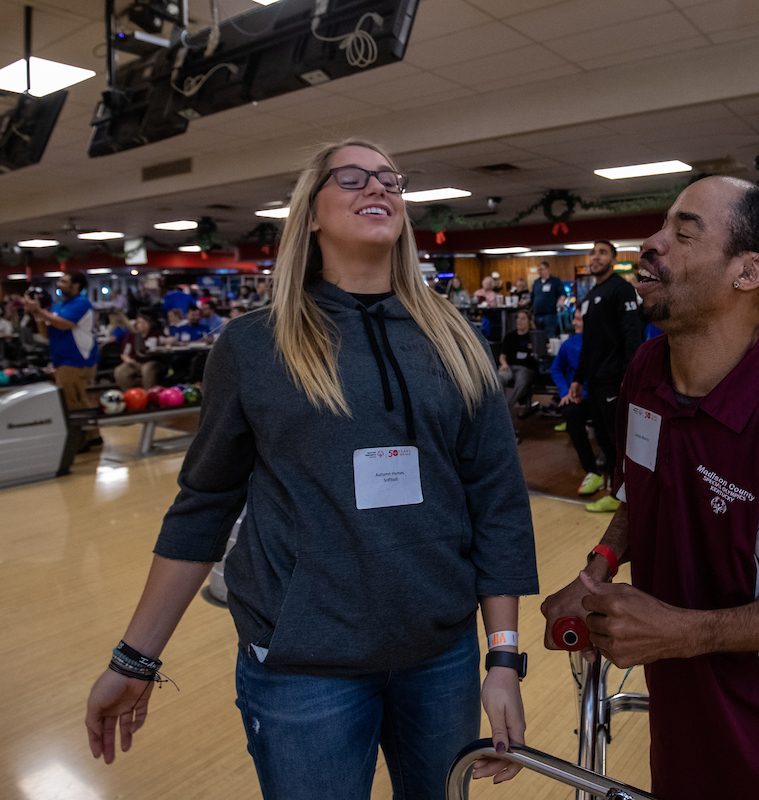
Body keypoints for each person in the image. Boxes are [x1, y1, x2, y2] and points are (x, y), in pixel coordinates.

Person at [85, 140, 537, 799]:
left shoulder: (454, 339)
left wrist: (501, 658)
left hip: (439, 659)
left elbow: (495, 499)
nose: (376, 186)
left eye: (389, 179)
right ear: (311, 215)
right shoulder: (255, 344)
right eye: (350, 178)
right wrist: (135, 658)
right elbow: (203, 507)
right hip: (302, 667)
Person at [541, 177, 759, 800]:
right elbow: (643, 491)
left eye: (683, 232)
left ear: (747, 273)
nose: (652, 243)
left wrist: (680, 633)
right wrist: (597, 571)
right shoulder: (646, 372)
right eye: (662, 226)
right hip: (679, 711)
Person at [568, 240, 642, 513]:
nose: (595, 257)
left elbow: (631, 336)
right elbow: (587, 344)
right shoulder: (589, 297)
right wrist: (577, 378)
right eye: (593, 252)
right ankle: (613, 486)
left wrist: (628, 376)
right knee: (603, 437)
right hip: (594, 380)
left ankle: (622, 494)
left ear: (613, 258)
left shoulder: (621, 290)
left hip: (614, 379)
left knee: (616, 438)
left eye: (602, 252)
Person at [22, 272, 101, 448]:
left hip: (77, 359)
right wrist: (37, 314)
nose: (59, 284)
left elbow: (64, 324)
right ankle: (93, 436)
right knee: (77, 400)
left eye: (64, 281)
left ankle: (81, 441)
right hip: (61, 359)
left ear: (76, 286)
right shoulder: (59, 306)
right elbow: (46, 332)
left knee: (72, 401)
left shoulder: (82, 303)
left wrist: (40, 310)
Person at [550, 308, 603, 496]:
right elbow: (555, 368)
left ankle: (613, 467)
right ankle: (592, 471)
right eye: (575, 319)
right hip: (578, 398)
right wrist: (565, 391)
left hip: (600, 397)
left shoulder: (602, 342)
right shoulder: (568, 345)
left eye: (578, 319)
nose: (574, 323)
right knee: (570, 414)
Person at [498, 308, 538, 417]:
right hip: (509, 366)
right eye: (518, 318)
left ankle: (504, 411)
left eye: (523, 318)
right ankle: (498, 408)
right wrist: (504, 364)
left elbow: (543, 351)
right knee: (498, 379)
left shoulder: (534, 336)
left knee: (521, 382)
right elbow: (502, 355)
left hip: (525, 368)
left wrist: (535, 348)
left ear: (529, 321)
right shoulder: (510, 336)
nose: (519, 321)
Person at [114, 311, 167, 391]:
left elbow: (166, 343)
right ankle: (128, 393)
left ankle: (148, 393)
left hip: (152, 361)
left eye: (144, 322)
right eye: (139, 322)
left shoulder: (156, 334)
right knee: (120, 371)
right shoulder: (131, 337)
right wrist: (128, 361)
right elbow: (124, 353)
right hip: (135, 362)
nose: (141, 325)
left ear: (150, 324)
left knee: (147, 369)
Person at [531, 261, 567, 335]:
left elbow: (563, 293)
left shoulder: (555, 281)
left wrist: (561, 300)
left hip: (550, 314)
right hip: (537, 315)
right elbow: (533, 296)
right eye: (539, 270)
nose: (540, 271)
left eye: (542, 269)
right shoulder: (536, 282)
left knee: (550, 336)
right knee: (539, 337)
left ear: (547, 270)